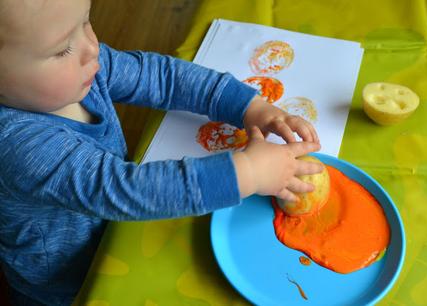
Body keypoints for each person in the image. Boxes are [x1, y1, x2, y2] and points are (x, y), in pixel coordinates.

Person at [0, 0, 323, 305]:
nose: (91, 48)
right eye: (62, 49)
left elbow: (161, 77)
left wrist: (248, 105)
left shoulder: (80, 67)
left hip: (118, 229)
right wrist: (247, 173)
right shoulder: (15, 142)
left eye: (86, 22)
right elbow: (120, 188)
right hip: (68, 279)